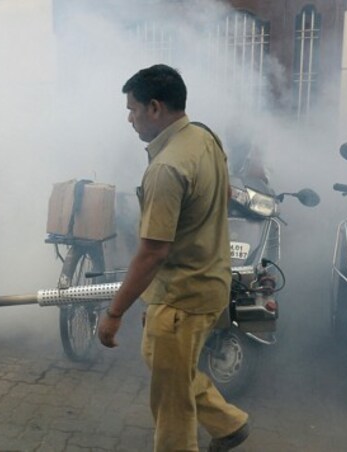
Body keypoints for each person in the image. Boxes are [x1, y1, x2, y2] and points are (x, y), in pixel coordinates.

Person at [97, 64, 249, 452]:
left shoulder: (166, 167)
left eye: (132, 110)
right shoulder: (204, 137)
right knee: (165, 365)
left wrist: (114, 314)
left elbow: (152, 252)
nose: (129, 119)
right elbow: (226, 194)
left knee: (170, 401)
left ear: (155, 107)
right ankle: (228, 423)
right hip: (209, 282)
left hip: (184, 294)